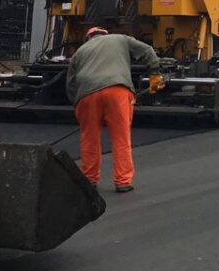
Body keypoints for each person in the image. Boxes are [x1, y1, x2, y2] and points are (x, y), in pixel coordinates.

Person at [66, 27, 160, 193]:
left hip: (87, 95)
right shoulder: (121, 39)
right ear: (105, 34)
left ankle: (89, 180)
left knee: (89, 138)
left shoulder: (80, 52)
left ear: (88, 38)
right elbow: (147, 50)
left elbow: (71, 85)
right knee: (121, 136)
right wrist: (154, 74)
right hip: (117, 90)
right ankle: (123, 181)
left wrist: (79, 106)